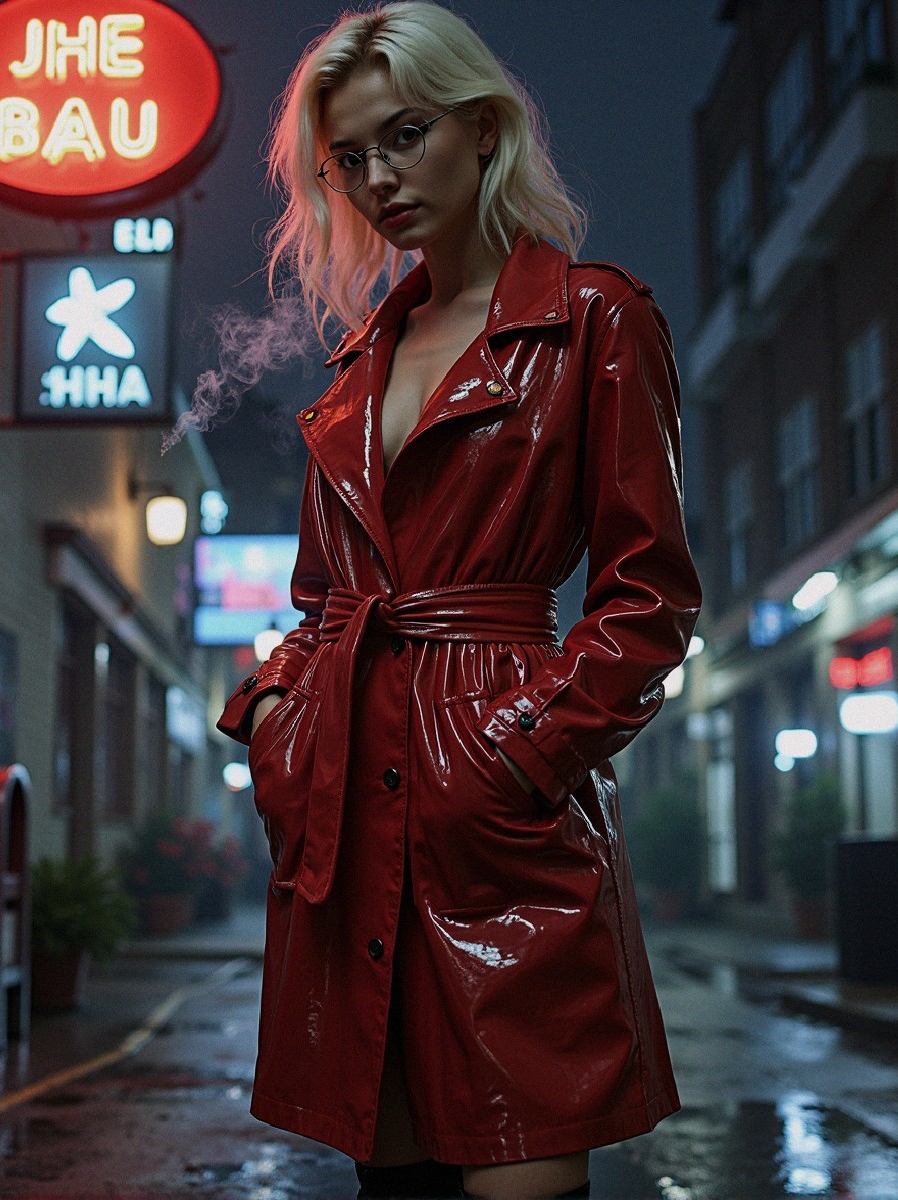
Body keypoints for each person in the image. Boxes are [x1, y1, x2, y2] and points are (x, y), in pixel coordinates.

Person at [213, 4, 702, 1198]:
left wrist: (520, 754)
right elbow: (323, 602)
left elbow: (649, 597)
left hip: (497, 796)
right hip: (348, 807)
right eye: (348, 159)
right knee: (395, 1179)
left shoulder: (594, 319)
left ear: (482, 130)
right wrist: (275, 718)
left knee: (521, 1169)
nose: (378, 178)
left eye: (405, 135)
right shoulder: (354, 369)